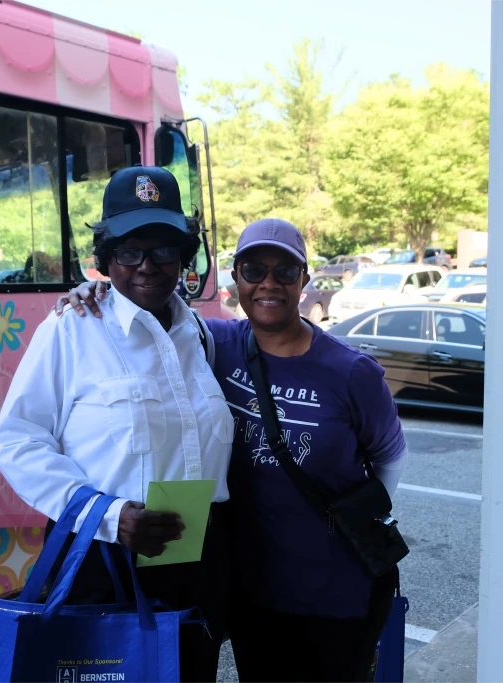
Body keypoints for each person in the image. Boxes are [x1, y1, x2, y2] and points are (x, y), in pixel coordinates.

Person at [57, 218, 409, 682]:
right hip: (252, 587)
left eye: (285, 271)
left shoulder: (351, 371)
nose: (269, 283)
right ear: (236, 278)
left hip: (335, 587)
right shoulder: (212, 342)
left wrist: (353, 523)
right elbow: (149, 303)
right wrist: (93, 290)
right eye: (253, 269)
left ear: (305, 279)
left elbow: (389, 457)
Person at [0, 166, 235, 682]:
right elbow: (16, 440)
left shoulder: (200, 335)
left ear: (184, 257)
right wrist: (109, 515)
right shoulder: (72, 327)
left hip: (196, 563)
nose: (147, 265)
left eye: (164, 249)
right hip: (104, 562)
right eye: (128, 250)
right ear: (106, 259)